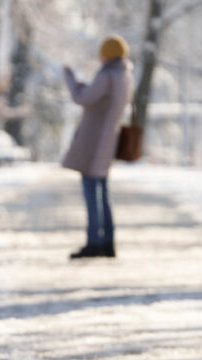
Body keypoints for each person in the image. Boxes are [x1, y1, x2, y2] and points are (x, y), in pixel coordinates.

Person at [62, 35, 134, 259]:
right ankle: (107, 241)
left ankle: (94, 242)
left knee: (92, 191)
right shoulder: (125, 75)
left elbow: (82, 98)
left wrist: (70, 78)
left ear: (108, 55)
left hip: (95, 142)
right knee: (102, 191)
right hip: (109, 139)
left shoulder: (107, 75)